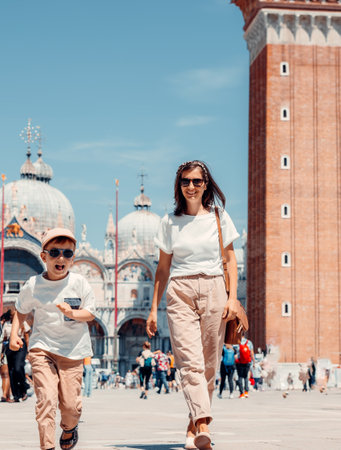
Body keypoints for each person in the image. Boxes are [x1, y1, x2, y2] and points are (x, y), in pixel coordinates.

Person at [146, 160, 240, 450]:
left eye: (197, 181)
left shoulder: (218, 217)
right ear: (179, 185)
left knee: (209, 365)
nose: (191, 186)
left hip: (214, 288)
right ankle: (203, 424)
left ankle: (193, 424)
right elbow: (162, 269)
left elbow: (230, 260)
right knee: (189, 361)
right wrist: (152, 309)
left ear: (206, 185)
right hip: (180, 290)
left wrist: (234, 298)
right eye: (186, 181)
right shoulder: (169, 222)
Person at [9, 227, 96, 450]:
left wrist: (72, 313)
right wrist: (13, 335)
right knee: (46, 399)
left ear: (73, 258)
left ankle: (69, 428)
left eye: (67, 254)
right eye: (55, 252)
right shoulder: (33, 285)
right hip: (42, 349)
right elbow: (20, 309)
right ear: (43, 256)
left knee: (70, 407)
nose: (61, 258)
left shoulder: (80, 283)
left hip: (73, 351)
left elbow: (90, 313)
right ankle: (46, 446)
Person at [0, 310, 13, 402]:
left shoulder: (4, 324)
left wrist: (2, 352)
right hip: (2, 348)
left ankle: (4, 395)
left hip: (2, 349)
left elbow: (4, 339)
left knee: (5, 374)